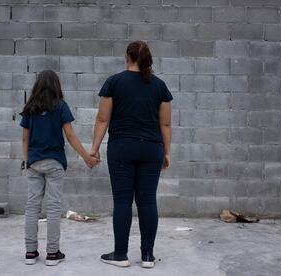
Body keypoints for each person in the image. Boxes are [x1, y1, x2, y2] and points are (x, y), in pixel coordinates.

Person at [90, 41, 173, 269]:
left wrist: (94, 148)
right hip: (151, 149)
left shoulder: (114, 82)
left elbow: (102, 120)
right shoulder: (160, 86)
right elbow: (165, 124)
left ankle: (120, 255)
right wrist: (166, 152)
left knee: (123, 201)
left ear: (128, 57)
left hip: (122, 148)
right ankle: (147, 257)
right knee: (147, 201)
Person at [20, 70, 100, 266]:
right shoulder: (61, 107)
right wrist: (86, 157)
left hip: (34, 163)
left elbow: (25, 138)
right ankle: (52, 254)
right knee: (54, 208)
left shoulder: (30, 108)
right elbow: (71, 136)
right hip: (54, 163)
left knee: (32, 207)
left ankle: (30, 252)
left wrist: (27, 160)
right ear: (56, 86)